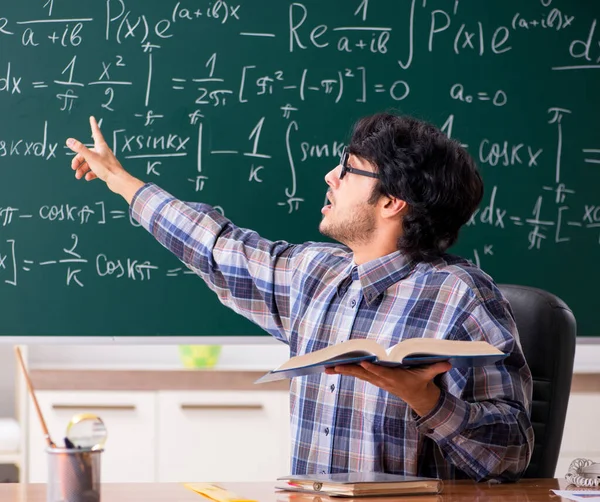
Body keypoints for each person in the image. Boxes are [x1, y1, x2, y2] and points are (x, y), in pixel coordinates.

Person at [66, 112, 533, 482]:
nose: (331, 176)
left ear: (392, 201)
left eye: (349, 169)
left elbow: (512, 453)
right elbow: (214, 245)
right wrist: (120, 180)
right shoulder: (315, 273)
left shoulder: (463, 297)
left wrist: (428, 401)